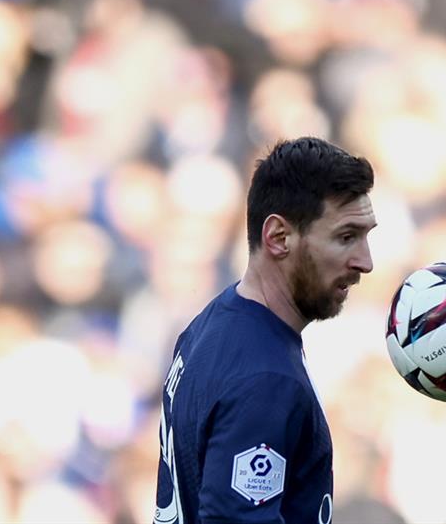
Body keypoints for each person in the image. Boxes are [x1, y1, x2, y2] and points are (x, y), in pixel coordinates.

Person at [154, 137, 376, 524]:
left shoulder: (211, 323)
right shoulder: (267, 379)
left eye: (366, 236)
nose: (365, 262)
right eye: (346, 237)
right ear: (278, 237)